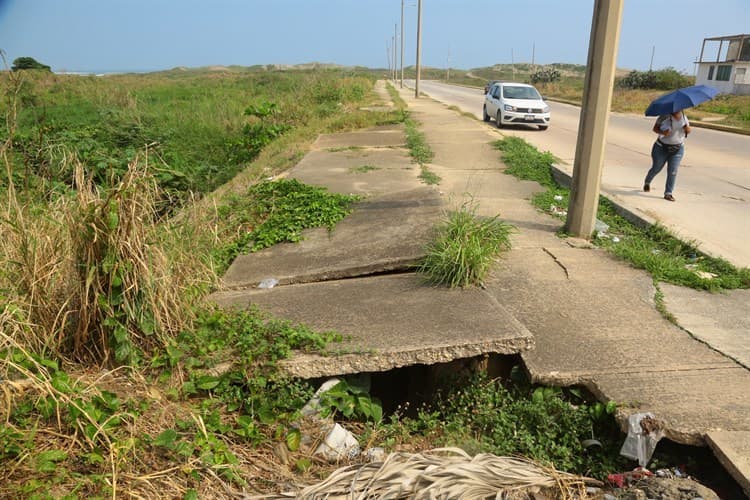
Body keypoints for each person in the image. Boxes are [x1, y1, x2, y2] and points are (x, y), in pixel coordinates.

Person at [643, 110, 691, 201]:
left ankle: (668, 193)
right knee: (656, 168)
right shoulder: (664, 116)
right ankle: (647, 181)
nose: (678, 110)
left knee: (673, 171)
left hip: (678, 148)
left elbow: (688, 130)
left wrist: (688, 130)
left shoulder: (684, 117)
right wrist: (663, 132)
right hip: (661, 147)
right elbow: (655, 129)